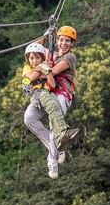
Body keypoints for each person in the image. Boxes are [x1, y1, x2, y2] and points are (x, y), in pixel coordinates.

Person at [23, 28, 79, 179]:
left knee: (53, 120)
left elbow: (51, 71)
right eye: (61, 39)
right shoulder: (51, 53)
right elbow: (35, 50)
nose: (63, 43)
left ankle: (52, 162)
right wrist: (46, 36)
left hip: (62, 94)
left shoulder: (70, 57)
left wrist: (30, 76)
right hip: (46, 93)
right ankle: (56, 147)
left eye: (67, 41)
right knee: (29, 118)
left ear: (72, 44)